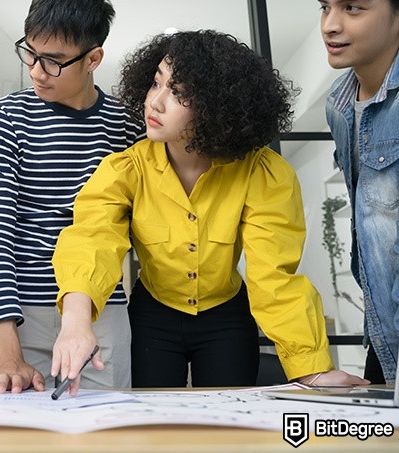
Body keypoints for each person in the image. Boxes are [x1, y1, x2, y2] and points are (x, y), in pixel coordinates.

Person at [51, 30, 369, 393]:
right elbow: (92, 239)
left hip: (227, 316)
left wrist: (311, 367)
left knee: (233, 424)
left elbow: (274, 277)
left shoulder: (263, 173)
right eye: (156, 83)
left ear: (220, 108)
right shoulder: (124, 170)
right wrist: (76, 322)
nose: (155, 102)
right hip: (152, 313)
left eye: (179, 93)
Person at [0, 0, 144, 393]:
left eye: (53, 60)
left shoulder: (127, 127)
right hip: (19, 316)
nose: (36, 71)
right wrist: (6, 349)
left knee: (105, 431)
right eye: (30, 53)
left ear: (93, 58)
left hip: (103, 312)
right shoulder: (4, 118)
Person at [318, 0, 399, 384]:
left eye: (353, 8)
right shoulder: (338, 102)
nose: (330, 25)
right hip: (382, 333)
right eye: (324, 7)